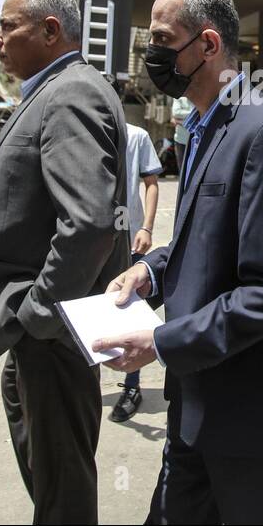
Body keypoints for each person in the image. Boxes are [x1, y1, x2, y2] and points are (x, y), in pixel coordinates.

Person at [93, 0, 263, 524]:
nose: (152, 53)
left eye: (163, 39)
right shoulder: (202, 125)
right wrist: (150, 272)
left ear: (207, 44)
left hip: (250, 414)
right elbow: (203, 241)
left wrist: (161, 342)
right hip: (195, 399)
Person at [0, 0, 128, 524]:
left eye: (7, 26)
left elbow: (89, 223)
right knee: (51, 481)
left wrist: (38, 315)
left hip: (52, 336)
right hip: (39, 335)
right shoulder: (52, 89)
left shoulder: (70, 93)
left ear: (50, 30)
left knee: (63, 494)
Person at [108, 121, 164, 423]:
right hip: (90, 240)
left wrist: (147, 227)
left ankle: (132, 386)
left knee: (131, 307)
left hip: (129, 237)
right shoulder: (82, 127)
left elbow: (151, 183)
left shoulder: (136, 135)